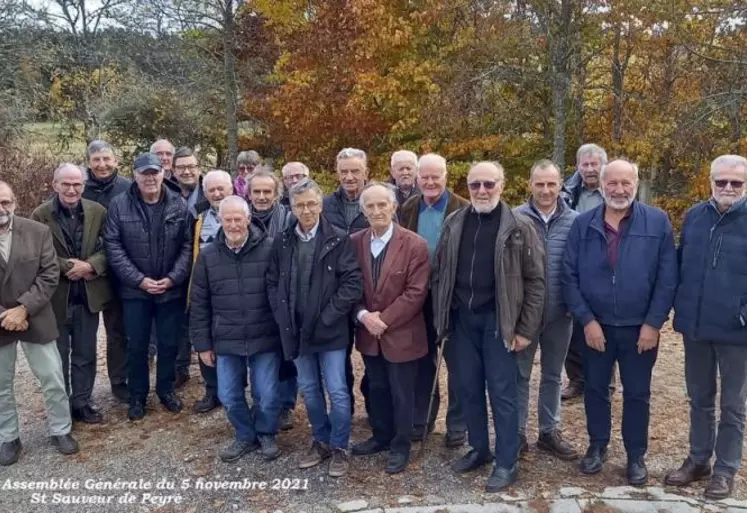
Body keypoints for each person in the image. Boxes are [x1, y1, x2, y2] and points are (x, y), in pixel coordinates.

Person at [431, 162, 545, 492]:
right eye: (475, 185)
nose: (482, 191)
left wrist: (524, 329)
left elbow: (536, 282)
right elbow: (439, 271)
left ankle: (507, 461)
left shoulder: (520, 227)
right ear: (467, 187)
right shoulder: (454, 222)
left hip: (500, 322)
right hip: (461, 322)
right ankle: (479, 449)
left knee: (502, 393)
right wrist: (442, 318)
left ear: (502, 185)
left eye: (489, 184)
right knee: (467, 388)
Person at [563, 159, 677, 486]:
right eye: (612, 183)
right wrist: (586, 321)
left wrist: (654, 323)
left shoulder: (657, 222)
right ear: (601, 185)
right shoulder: (583, 224)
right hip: (595, 328)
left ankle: (635, 455)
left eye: (626, 183)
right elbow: (569, 276)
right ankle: (597, 446)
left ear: (636, 184)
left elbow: (667, 279)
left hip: (639, 328)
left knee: (637, 393)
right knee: (596, 390)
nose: (619, 189)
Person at [267, 178, 363, 477]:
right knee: (309, 389)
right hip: (295, 330)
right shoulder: (282, 241)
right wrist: (282, 313)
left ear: (320, 205)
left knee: (336, 389)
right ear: (291, 208)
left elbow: (352, 283)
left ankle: (340, 445)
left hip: (330, 330)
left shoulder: (338, 238)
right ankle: (320, 439)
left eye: (311, 203)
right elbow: (272, 281)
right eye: (299, 205)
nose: (306, 210)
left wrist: (329, 315)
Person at [665, 155, 747, 500]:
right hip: (696, 328)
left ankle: (725, 469)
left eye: (736, 183)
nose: (727, 188)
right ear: (710, 181)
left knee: (733, 405)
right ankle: (698, 459)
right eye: (721, 182)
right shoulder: (695, 216)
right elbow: (682, 264)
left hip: (736, 333)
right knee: (699, 399)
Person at [190, 196, 283, 462]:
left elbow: (280, 296)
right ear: (219, 220)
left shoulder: (269, 249)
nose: (233, 224)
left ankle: (266, 432)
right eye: (227, 219)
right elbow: (199, 303)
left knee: (266, 395)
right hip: (226, 338)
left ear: (248, 219)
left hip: (264, 336)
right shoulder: (207, 255)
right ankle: (245, 434)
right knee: (228, 395)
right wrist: (203, 344)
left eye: (237, 219)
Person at [104, 152, 192, 421]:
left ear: (163, 174)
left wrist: (173, 278)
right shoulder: (119, 205)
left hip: (170, 290)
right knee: (137, 346)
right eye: (145, 173)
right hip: (135, 292)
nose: (150, 178)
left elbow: (189, 245)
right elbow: (113, 246)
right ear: (135, 175)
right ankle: (138, 396)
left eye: (154, 172)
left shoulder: (179, 204)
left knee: (168, 344)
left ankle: (165, 390)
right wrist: (139, 280)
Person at [350, 182, 430, 474]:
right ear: (363, 211)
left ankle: (401, 444)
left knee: (402, 392)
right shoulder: (354, 242)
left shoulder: (414, 244)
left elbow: (416, 292)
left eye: (382, 204)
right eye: (370, 206)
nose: (376, 210)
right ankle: (381, 436)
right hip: (369, 334)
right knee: (378, 388)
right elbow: (349, 287)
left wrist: (383, 319)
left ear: (394, 206)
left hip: (401, 334)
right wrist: (362, 316)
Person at [0, 181, 79, 466]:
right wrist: (6, 315)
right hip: (0, 321)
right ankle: (8, 437)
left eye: (5, 202)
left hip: (35, 314)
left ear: (15, 202)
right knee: (0, 385)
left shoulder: (37, 232)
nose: (1, 208)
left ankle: (61, 430)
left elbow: (49, 275)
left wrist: (22, 310)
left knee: (52, 378)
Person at [31, 164, 112, 425]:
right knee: (57, 356)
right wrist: (68, 267)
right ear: (54, 185)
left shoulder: (98, 212)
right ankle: (61, 406)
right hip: (55, 299)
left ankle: (82, 402)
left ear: (83, 186)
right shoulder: (40, 215)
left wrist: (91, 266)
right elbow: (34, 255)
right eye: (65, 184)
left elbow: (111, 246)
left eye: (77, 184)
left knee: (85, 354)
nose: (71, 189)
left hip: (87, 295)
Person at [399, 153, 468, 448]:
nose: (429, 182)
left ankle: (457, 425)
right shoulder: (408, 208)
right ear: (416, 179)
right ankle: (422, 419)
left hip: (452, 297)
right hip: (419, 297)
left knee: (458, 364)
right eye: (424, 177)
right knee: (422, 362)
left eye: (435, 176)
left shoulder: (463, 209)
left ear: (445, 177)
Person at [513, 160, 578, 459]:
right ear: (530, 184)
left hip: (559, 314)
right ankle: (516, 433)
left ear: (560, 184)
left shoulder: (576, 221)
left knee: (553, 375)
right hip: (523, 316)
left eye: (551, 184)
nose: (545, 190)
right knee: (519, 375)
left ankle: (549, 431)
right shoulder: (513, 218)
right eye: (539, 184)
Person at [247, 169, 297, 430]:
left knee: (286, 353)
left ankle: (286, 404)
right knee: (259, 354)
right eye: (257, 191)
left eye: (268, 191)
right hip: (251, 296)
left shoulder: (289, 218)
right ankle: (262, 401)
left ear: (277, 194)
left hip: (282, 294)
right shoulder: (241, 219)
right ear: (249, 193)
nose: (262, 196)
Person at [323, 148, 371, 417]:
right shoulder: (326, 205)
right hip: (337, 294)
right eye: (344, 172)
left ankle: (376, 410)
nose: (349, 177)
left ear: (366, 172)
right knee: (339, 359)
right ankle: (344, 410)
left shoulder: (378, 200)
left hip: (372, 293)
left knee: (373, 359)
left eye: (355, 171)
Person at [81, 140, 130, 403]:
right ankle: (82, 392)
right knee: (84, 336)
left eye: (106, 159)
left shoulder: (127, 188)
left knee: (117, 330)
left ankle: (119, 381)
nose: (102, 165)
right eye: (96, 160)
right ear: (88, 162)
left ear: (116, 160)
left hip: (117, 270)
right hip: (84, 273)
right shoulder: (78, 187)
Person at [561, 143, 609, 401]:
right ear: (578, 167)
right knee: (572, 323)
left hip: (605, 263)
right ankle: (576, 379)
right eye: (585, 164)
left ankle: (604, 382)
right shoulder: (566, 192)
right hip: (573, 262)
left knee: (603, 322)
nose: (590, 169)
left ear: (603, 165)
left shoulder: (615, 189)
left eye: (594, 164)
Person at [186, 170, 234, 414]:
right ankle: (212, 390)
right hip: (208, 288)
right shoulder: (199, 219)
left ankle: (236, 392)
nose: (216, 194)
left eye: (221, 189)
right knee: (205, 336)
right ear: (204, 193)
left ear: (232, 189)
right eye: (211, 190)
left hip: (237, 289)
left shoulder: (241, 214)